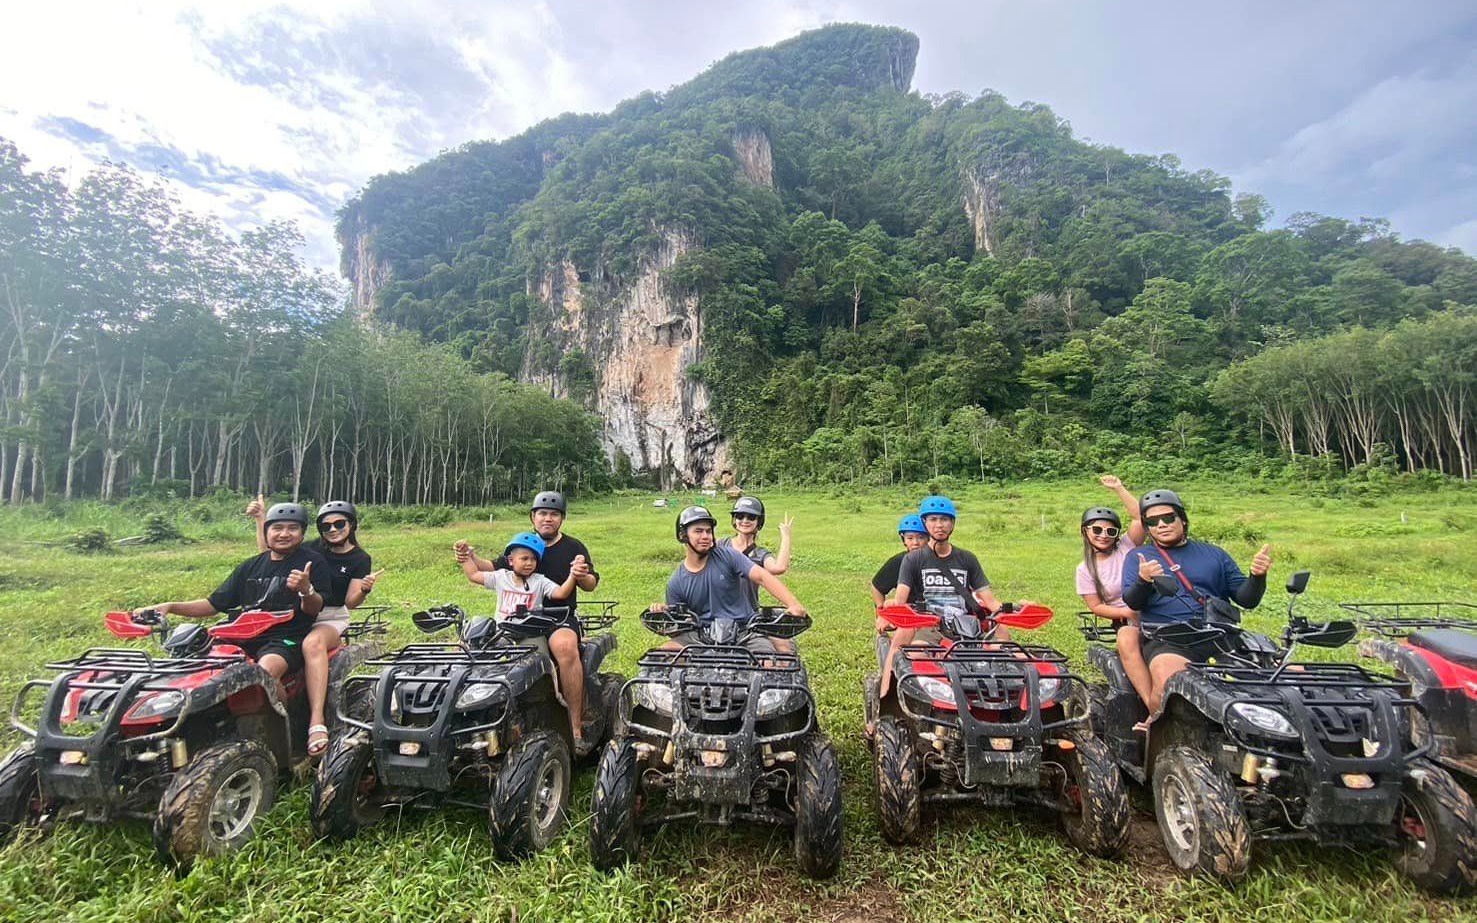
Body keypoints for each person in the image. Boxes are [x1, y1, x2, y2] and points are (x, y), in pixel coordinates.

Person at [246, 496, 383, 756]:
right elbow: (271, 554)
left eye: (339, 524)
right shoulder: (312, 549)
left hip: (329, 616)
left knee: (312, 643)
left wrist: (364, 590)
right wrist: (261, 519)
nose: (333, 530)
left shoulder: (359, 558)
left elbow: (350, 602)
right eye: (326, 526)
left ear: (351, 525)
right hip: (295, 613)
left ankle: (316, 720)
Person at [135, 503, 327, 686]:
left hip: (285, 638)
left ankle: (278, 711)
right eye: (277, 528)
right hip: (240, 635)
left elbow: (313, 609)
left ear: (302, 533)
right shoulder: (250, 566)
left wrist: (306, 589)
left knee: (264, 673)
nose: (284, 534)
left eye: (293, 528)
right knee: (194, 665)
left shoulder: (312, 562)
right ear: (266, 531)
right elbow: (213, 605)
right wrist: (170, 606)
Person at [1121, 489, 1272, 711]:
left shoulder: (1215, 554)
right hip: (1168, 637)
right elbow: (1133, 602)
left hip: (1220, 635)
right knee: (1168, 684)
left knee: (1274, 680)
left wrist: (1257, 577)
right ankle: (1154, 724)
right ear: (1147, 527)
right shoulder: (1139, 557)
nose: (1161, 525)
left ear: (1182, 519)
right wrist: (1143, 580)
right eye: (1153, 521)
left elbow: (1246, 599)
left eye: (1168, 518)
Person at [458, 530, 587, 750]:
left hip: (531, 633)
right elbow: (474, 575)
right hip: (502, 633)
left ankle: (553, 697)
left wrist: (573, 576)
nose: (529, 563)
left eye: (533, 559)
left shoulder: (539, 581)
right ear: (510, 561)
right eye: (524, 558)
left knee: (539, 666)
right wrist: (466, 557)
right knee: (478, 658)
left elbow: (560, 594)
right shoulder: (501, 577)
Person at [661, 506, 808, 654]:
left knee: (767, 659)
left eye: (708, 531)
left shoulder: (728, 556)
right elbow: (676, 627)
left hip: (744, 630)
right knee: (666, 653)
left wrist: (793, 604)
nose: (705, 536)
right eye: (698, 531)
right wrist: (663, 612)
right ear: (683, 535)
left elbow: (763, 577)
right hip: (702, 635)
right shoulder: (676, 582)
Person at [1076, 475, 1150, 707]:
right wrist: (1126, 613)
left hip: (1154, 608)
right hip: (1126, 618)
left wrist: (1119, 488)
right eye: (1097, 529)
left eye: (1111, 531)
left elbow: (1140, 518)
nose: (1103, 535)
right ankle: (1150, 702)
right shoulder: (1085, 569)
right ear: (1085, 531)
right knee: (1129, 642)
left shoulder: (1127, 546)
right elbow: (1096, 606)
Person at [458, 491, 597, 605]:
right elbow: (492, 567)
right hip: (521, 616)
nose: (548, 519)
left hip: (561, 615)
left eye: (554, 514)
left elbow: (590, 585)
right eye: (542, 513)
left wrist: (580, 575)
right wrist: (470, 557)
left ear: (562, 518)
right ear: (533, 517)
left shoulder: (573, 546)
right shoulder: (523, 544)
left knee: (564, 634)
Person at [721, 496, 794, 611]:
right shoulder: (721, 545)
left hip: (747, 613)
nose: (745, 520)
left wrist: (786, 536)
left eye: (751, 517)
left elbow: (779, 568)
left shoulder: (760, 554)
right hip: (718, 611)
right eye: (740, 516)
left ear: (759, 521)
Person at [870, 514, 929, 608]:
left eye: (921, 537)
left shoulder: (937, 559)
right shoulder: (898, 561)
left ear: (928, 539)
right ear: (904, 540)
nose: (915, 543)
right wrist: (880, 610)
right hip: (908, 612)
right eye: (910, 538)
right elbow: (877, 587)